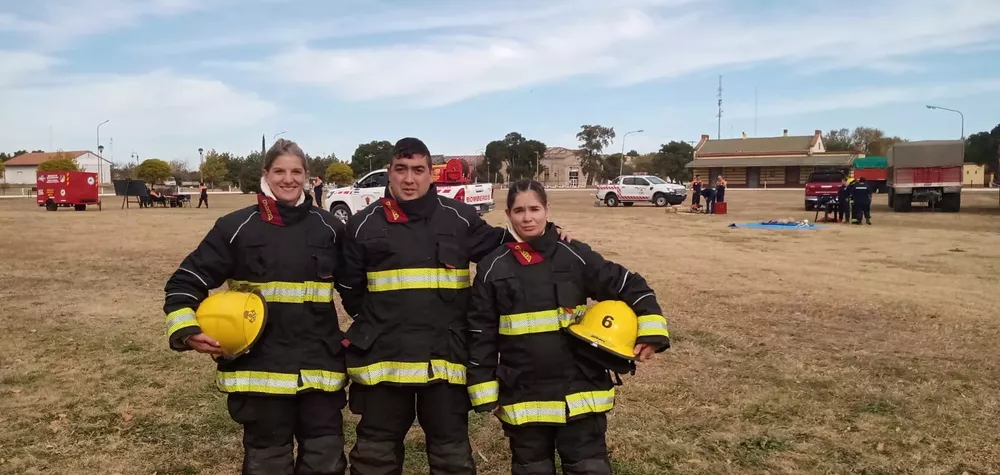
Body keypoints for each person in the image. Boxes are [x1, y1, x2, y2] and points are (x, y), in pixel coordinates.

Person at [337, 137, 569, 475]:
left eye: (418, 170)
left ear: (432, 174)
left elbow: (508, 248)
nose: (409, 179)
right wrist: (381, 322)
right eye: (401, 170)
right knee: (375, 455)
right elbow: (349, 289)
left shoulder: (459, 219)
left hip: (446, 359)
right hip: (382, 360)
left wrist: (552, 238)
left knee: (451, 456)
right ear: (389, 173)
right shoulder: (362, 225)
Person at [162, 139, 350, 475]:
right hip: (259, 372)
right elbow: (184, 282)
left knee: (326, 459)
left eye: (296, 171)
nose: (288, 179)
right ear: (266, 174)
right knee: (268, 463)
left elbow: (358, 291)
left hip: (319, 368)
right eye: (279, 171)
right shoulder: (235, 228)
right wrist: (186, 330)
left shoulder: (330, 228)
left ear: (307, 176)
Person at [466, 180, 670, 475]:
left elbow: (629, 284)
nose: (528, 217)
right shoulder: (492, 267)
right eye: (519, 210)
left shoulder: (573, 254)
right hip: (522, 395)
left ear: (547, 210)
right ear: (508, 214)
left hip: (580, 392)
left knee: (588, 467)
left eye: (535, 209)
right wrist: (486, 394)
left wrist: (651, 331)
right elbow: (480, 332)